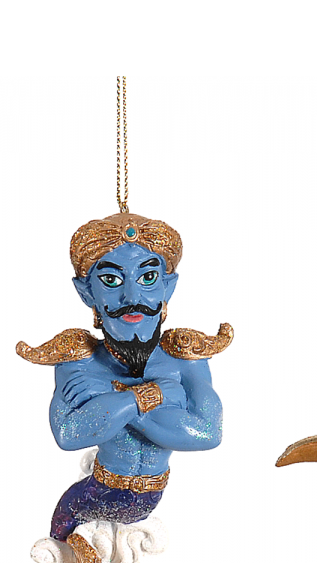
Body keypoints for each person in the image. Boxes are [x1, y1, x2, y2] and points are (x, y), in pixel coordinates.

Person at [17, 211, 232, 541]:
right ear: (86, 293)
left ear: (168, 287)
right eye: (111, 281)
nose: (132, 298)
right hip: (91, 498)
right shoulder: (80, 359)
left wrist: (114, 398)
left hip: (150, 498)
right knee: (65, 544)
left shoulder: (183, 356)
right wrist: (156, 395)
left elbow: (208, 433)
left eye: (148, 278)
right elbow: (68, 434)